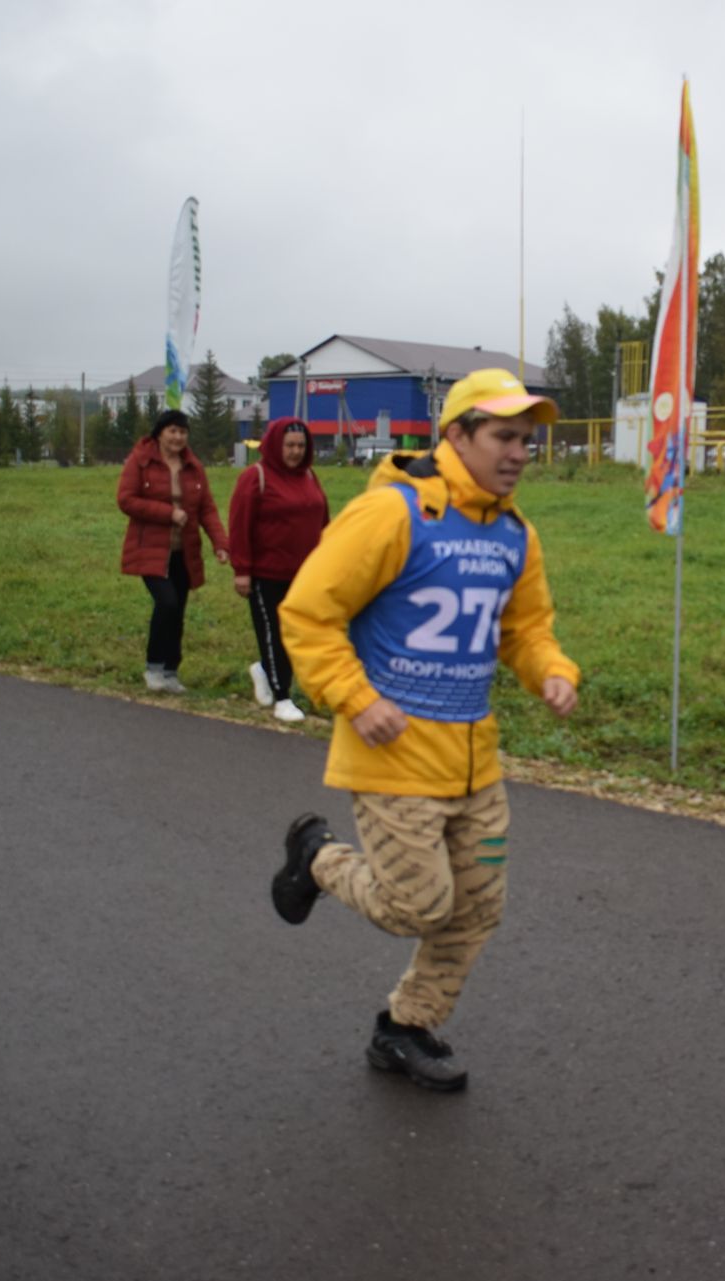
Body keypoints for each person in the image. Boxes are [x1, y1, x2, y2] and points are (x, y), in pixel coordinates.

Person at [269, 368, 580, 1091]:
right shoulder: (393, 514)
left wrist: (552, 670)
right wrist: (352, 695)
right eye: (503, 436)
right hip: (393, 756)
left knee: (476, 909)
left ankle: (404, 1028)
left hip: (475, 763)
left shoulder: (512, 532)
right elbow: (308, 611)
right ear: (457, 436)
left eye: (527, 441)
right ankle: (316, 857)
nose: (518, 453)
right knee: (418, 905)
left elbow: (525, 628)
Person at [116, 408, 229, 693]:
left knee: (178, 610)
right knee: (166, 603)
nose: (178, 437)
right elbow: (126, 499)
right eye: (172, 431)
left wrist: (220, 544)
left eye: (182, 432)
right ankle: (153, 667)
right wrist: (168, 513)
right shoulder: (141, 461)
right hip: (150, 549)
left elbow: (207, 509)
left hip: (184, 552)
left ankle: (170, 672)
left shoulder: (193, 466)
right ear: (160, 433)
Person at [227, 417, 328, 722]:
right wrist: (242, 570)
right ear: (275, 445)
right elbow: (239, 526)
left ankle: (264, 669)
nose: (296, 452)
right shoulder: (254, 478)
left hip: (305, 573)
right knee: (274, 634)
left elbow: (322, 520)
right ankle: (282, 698)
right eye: (290, 445)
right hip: (266, 574)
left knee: (300, 634)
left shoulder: (309, 477)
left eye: (301, 445)